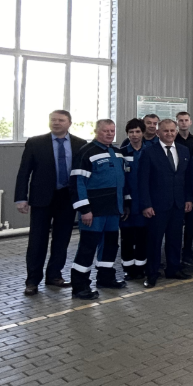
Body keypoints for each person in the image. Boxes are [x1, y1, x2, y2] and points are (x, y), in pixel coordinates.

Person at [15, 110, 86, 295]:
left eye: (61, 120)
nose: (56, 123)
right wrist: (21, 198)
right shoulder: (35, 143)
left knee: (62, 240)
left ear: (69, 123)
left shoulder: (80, 144)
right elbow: (24, 172)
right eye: (53, 120)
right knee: (37, 240)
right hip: (41, 198)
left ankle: (54, 275)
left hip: (67, 198)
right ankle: (32, 281)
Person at [66, 119, 126, 300]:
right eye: (105, 131)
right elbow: (77, 183)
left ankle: (105, 278)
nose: (109, 134)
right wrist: (84, 209)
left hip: (113, 210)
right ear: (96, 131)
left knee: (110, 245)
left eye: (112, 131)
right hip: (94, 212)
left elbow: (123, 181)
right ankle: (80, 286)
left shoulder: (117, 152)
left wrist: (125, 204)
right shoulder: (86, 152)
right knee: (88, 247)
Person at [138, 118, 193, 286]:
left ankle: (173, 269)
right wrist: (146, 204)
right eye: (165, 130)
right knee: (154, 241)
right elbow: (143, 181)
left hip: (178, 204)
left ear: (176, 131)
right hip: (156, 205)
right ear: (158, 132)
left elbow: (187, 178)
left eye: (172, 130)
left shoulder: (183, 150)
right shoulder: (149, 152)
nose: (169, 133)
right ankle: (152, 273)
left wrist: (188, 198)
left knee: (175, 239)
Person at [119, 119, 150, 285]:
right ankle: (128, 269)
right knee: (127, 238)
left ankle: (140, 268)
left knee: (142, 238)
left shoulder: (150, 151)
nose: (134, 135)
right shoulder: (121, 153)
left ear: (143, 133)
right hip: (127, 206)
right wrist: (125, 201)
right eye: (131, 132)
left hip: (144, 203)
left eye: (137, 131)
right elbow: (120, 180)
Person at [175, 111, 193, 265]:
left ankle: (187, 251)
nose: (184, 123)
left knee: (191, 223)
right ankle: (174, 252)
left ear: (190, 122)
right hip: (178, 185)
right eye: (181, 120)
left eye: (186, 120)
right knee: (176, 224)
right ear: (177, 123)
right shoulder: (173, 140)